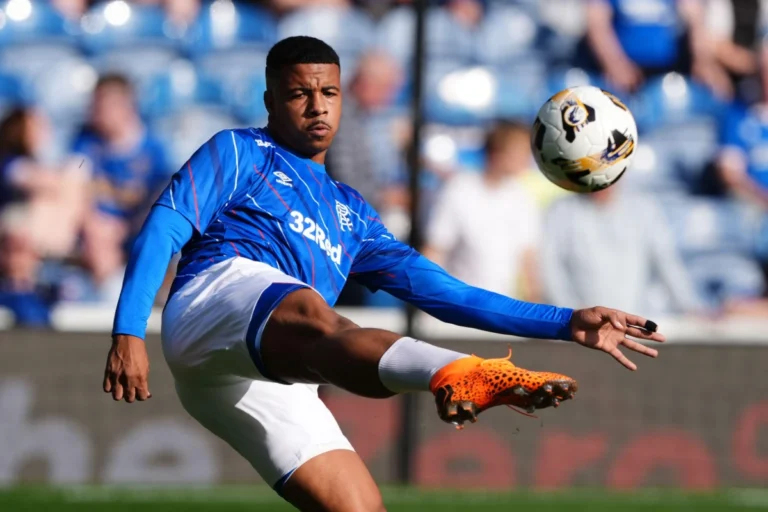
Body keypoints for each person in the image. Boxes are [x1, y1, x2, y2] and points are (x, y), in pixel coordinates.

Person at [102, 36, 664, 512]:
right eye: (299, 94)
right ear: (271, 100)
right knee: (315, 314)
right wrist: (129, 330)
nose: (317, 107)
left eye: (328, 93)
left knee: (360, 508)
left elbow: (449, 294)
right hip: (212, 301)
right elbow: (163, 230)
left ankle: (458, 372)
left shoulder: (353, 216)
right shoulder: (241, 150)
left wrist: (567, 322)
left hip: (252, 376)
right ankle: (461, 373)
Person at [423, 121, 542, 300]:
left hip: (502, 310)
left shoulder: (522, 197)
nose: (526, 159)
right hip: (458, 309)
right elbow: (435, 249)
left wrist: (535, 308)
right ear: (496, 154)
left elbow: (528, 260)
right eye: (520, 152)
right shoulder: (459, 188)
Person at [541, 186, 703, 316]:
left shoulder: (645, 208)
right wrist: (571, 315)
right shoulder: (560, 210)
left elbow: (667, 264)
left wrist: (691, 309)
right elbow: (551, 270)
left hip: (633, 327)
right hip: (579, 333)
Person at [72, 74, 170, 239]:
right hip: (97, 232)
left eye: (100, 107)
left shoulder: (154, 150)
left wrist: (129, 227)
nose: (93, 113)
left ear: (124, 107)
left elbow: (161, 197)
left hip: (138, 230)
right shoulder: (86, 143)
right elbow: (74, 182)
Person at [584, 0, 732, 98]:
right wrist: (615, 65)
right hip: (625, 73)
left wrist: (703, 62)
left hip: (671, 71)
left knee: (718, 91)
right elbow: (597, 24)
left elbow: (695, 22)